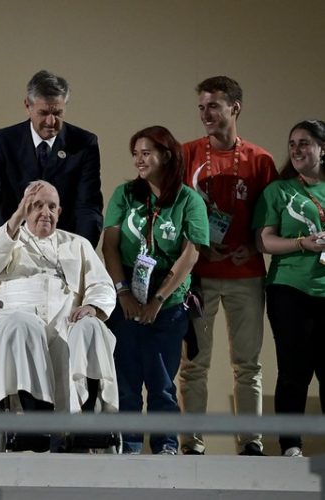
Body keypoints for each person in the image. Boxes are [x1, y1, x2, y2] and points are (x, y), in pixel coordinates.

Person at [0, 181, 118, 450]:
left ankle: (86, 422)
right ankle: (34, 423)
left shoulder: (77, 244)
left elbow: (102, 285)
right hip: (17, 320)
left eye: (52, 207)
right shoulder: (5, 238)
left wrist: (93, 307)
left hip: (66, 326)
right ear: (24, 208)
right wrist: (16, 217)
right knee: (24, 325)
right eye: (37, 205)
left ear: (59, 212)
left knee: (91, 327)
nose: (45, 212)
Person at [179, 76, 278, 456]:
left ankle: (251, 442)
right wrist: (199, 249)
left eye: (214, 106)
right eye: (201, 107)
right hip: (199, 276)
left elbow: (271, 217)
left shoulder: (260, 159)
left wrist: (251, 246)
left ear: (235, 108)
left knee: (247, 364)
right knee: (193, 363)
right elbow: (176, 209)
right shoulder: (187, 154)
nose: (206, 114)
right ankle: (191, 444)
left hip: (246, 273)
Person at [102, 126, 209, 455]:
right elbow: (110, 246)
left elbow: (190, 254)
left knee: (161, 383)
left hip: (169, 302)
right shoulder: (125, 194)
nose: (139, 160)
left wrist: (159, 300)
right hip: (126, 299)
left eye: (146, 153)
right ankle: (129, 447)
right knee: (127, 381)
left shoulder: (189, 200)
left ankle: (165, 447)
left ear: (166, 155)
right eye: (135, 154)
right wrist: (123, 293)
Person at [0, 69, 103, 252]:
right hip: (12, 248)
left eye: (58, 113)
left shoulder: (84, 144)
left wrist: (81, 253)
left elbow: (88, 206)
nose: (51, 121)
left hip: (63, 249)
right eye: (43, 112)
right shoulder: (4, 141)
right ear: (28, 105)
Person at [254, 120, 325, 457]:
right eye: (292, 143)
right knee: (294, 369)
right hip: (289, 290)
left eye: (304, 143)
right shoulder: (279, 190)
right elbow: (264, 241)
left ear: (323, 150)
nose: (296, 149)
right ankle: (291, 445)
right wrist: (302, 243)